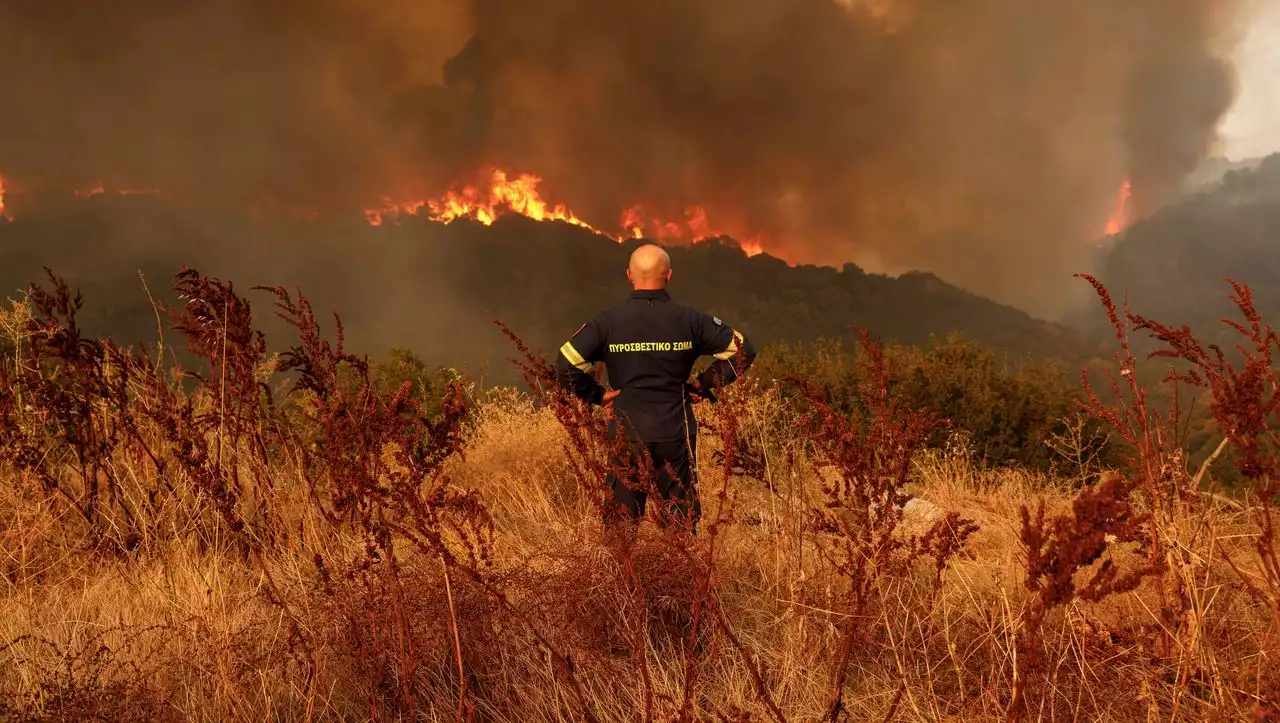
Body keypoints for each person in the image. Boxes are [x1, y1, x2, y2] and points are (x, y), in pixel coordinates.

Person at [554, 243, 756, 535]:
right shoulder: (692, 321)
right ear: (669, 276)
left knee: (621, 532)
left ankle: (624, 581)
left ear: (629, 276)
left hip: (627, 434)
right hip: (676, 435)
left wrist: (597, 396)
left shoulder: (607, 322)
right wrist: (703, 384)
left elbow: (565, 364)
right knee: (680, 528)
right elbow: (743, 350)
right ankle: (680, 581)